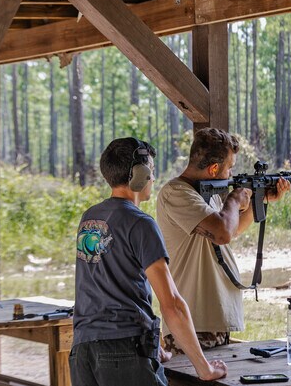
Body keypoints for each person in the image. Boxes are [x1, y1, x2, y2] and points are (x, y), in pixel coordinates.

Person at [69, 137, 227, 386]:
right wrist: (204, 368)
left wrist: (151, 348)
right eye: (151, 171)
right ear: (139, 174)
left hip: (83, 352)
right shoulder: (140, 223)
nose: (153, 179)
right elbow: (172, 304)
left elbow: (108, 286)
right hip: (123, 352)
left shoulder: (90, 219)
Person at [156, 128, 290, 355]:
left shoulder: (211, 195)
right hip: (193, 320)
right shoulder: (176, 193)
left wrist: (261, 197)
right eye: (229, 168)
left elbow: (233, 228)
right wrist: (235, 198)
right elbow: (222, 233)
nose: (231, 174)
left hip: (214, 316)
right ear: (214, 168)